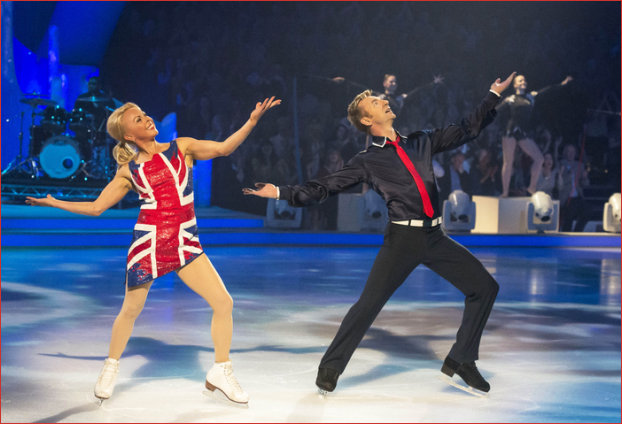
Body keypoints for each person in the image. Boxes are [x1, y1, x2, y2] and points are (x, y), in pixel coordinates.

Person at [244, 72, 517, 396]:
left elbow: (466, 129)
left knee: (485, 287)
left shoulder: (422, 140)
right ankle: (329, 369)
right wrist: (279, 191)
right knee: (367, 306)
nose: (385, 101)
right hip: (402, 240)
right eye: (376, 101)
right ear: (366, 119)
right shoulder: (368, 161)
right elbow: (324, 187)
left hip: (434, 237)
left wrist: (492, 95)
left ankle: (462, 359)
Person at [26, 96, 281, 404]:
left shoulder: (182, 147)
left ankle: (221, 370)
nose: (147, 119)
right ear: (129, 136)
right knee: (131, 310)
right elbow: (96, 208)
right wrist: (54, 203)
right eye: (138, 120)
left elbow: (224, 148)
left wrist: (252, 120)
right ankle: (111, 366)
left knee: (223, 302)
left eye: (145, 114)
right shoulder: (127, 170)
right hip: (149, 242)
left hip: (185, 240)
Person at [496, 74, 573, 197]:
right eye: (520, 80)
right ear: (515, 85)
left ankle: (531, 188)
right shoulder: (510, 99)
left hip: (522, 132)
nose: (523, 81)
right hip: (510, 131)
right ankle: (505, 192)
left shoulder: (530, 96)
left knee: (539, 158)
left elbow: (547, 91)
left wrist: (562, 84)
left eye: (524, 80)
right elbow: (496, 110)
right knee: (508, 162)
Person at [557, 143, 590, 232]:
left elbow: (585, 184)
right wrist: (568, 175)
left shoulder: (579, 165)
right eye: (568, 151)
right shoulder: (560, 164)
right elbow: (559, 185)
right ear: (565, 153)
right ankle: (566, 233)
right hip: (566, 197)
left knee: (587, 212)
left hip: (578, 196)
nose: (570, 154)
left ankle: (577, 232)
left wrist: (585, 177)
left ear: (575, 153)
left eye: (572, 151)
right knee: (570, 211)